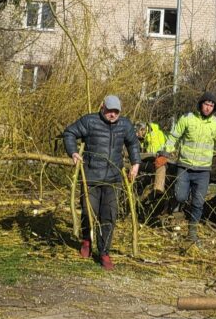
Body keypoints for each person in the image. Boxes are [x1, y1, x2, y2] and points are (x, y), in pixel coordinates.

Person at [62, 95, 140, 270]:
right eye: (109, 110)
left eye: (116, 111)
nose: (112, 114)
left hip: (113, 180)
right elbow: (69, 133)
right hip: (91, 177)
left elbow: (133, 143)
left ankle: (104, 252)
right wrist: (73, 152)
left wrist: (135, 164)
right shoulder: (89, 121)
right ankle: (87, 241)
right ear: (102, 107)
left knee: (109, 216)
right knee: (89, 213)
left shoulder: (125, 125)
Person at [163, 92, 216, 244]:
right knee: (180, 197)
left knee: (198, 202)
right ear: (200, 104)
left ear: (214, 108)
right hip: (184, 166)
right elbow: (174, 136)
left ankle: (192, 233)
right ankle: (175, 223)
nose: (208, 108)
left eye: (211, 105)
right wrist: (165, 151)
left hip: (203, 170)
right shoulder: (187, 118)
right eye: (206, 104)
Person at [136, 120, 167, 194]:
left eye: (138, 132)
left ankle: (156, 190)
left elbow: (151, 154)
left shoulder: (153, 136)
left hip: (158, 160)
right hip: (155, 159)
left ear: (142, 130)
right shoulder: (149, 135)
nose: (137, 134)